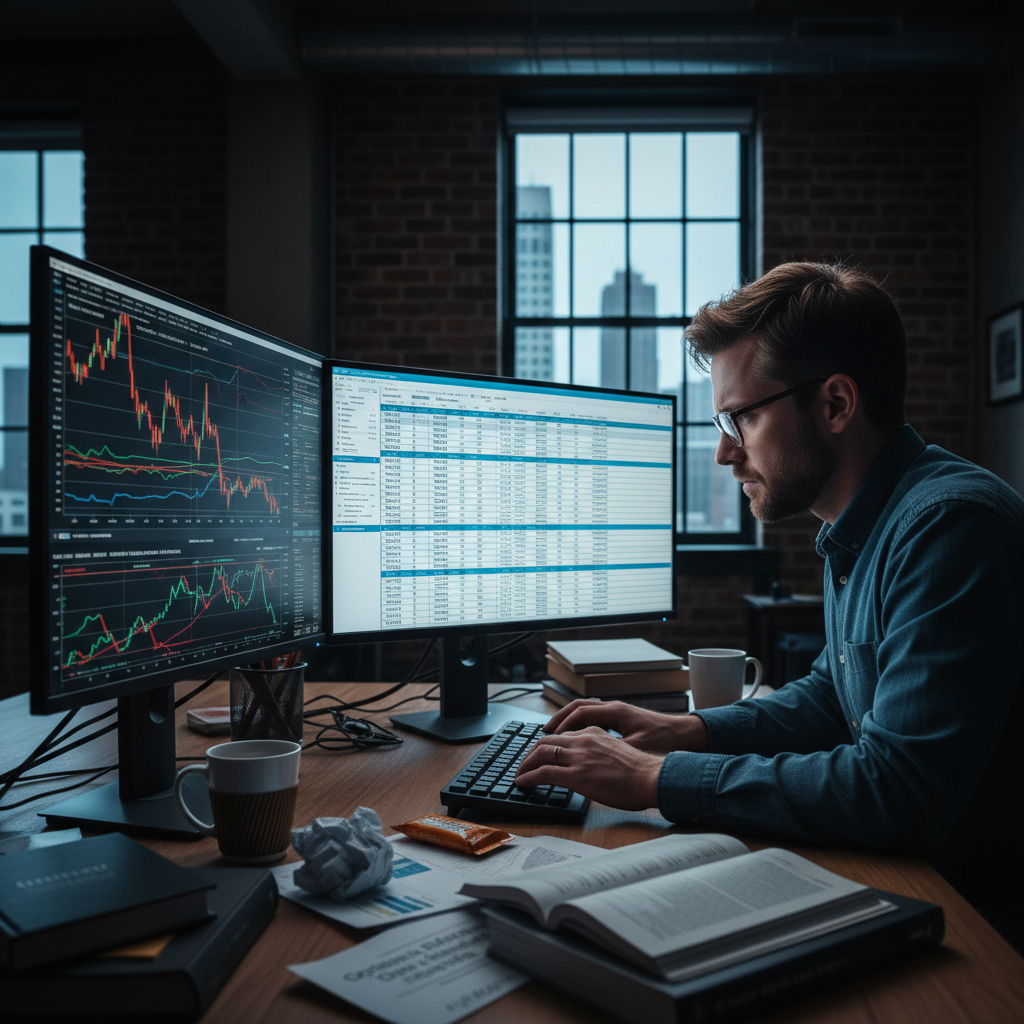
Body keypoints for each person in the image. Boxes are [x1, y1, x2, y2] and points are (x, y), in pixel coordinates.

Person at [515, 261, 1024, 930]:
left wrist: (653, 778)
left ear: (836, 404)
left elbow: (899, 792)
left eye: (740, 420)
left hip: (978, 920)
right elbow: (829, 695)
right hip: (916, 880)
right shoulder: (862, 522)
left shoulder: (950, 528)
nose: (726, 455)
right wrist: (684, 731)